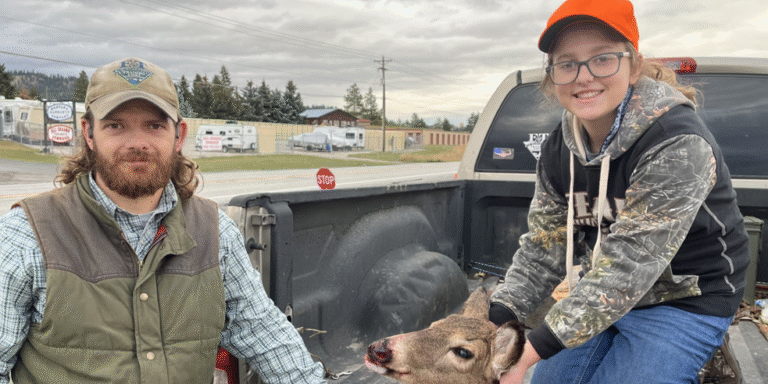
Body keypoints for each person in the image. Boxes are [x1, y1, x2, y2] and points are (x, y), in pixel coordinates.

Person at [0, 58, 326, 383]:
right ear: (88, 132)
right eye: (116, 125)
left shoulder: (215, 233)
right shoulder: (27, 235)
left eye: (154, 126)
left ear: (179, 135)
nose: (137, 143)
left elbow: (267, 337)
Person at [488, 1, 750, 383]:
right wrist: (497, 316)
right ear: (553, 76)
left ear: (633, 66)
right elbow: (544, 246)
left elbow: (630, 265)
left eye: (602, 59)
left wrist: (527, 354)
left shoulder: (675, 142)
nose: (584, 77)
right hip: (600, 285)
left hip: (687, 298)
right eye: (567, 63)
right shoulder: (559, 150)